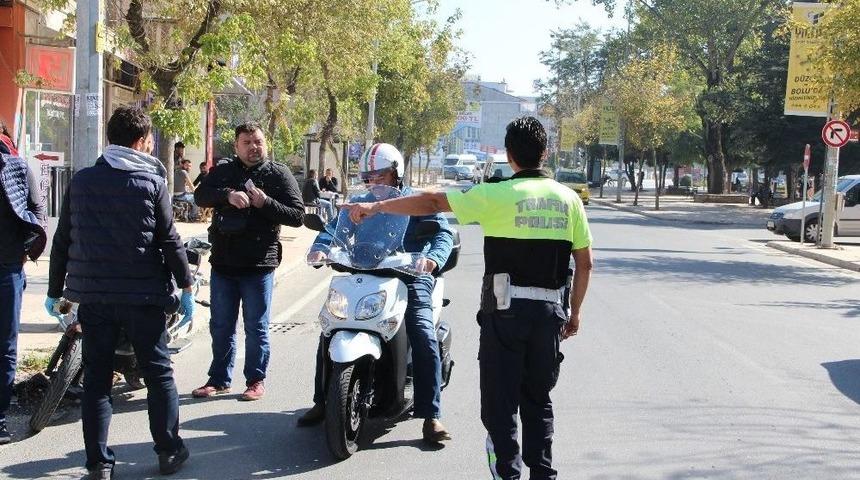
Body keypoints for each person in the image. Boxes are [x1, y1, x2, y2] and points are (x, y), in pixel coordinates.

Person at [345, 117, 593, 479]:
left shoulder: (494, 194)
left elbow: (431, 203)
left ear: (510, 156)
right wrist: (574, 315)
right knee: (538, 402)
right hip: (549, 315)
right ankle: (543, 473)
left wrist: (377, 208)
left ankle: (507, 474)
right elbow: (585, 264)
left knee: (500, 405)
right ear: (545, 152)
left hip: (505, 317)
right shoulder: (569, 200)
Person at [45, 106, 194, 479]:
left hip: (93, 300)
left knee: (97, 380)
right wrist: (187, 285)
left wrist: (54, 291)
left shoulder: (82, 181)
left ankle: (98, 464)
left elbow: (63, 239)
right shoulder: (152, 184)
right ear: (142, 142)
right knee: (158, 374)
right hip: (144, 300)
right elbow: (170, 241)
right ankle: (168, 451)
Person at [297, 143, 455, 443]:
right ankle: (322, 401)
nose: (373, 183)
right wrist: (320, 249)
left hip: (410, 275)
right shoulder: (361, 203)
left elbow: (442, 233)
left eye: (379, 176)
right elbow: (335, 230)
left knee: (422, 331)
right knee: (330, 328)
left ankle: (431, 414)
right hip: (367, 273)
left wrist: (432, 257)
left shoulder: (417, 202)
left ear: (396, 173)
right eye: (368, 177)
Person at [192, 122, 304, 401]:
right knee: (221, 325)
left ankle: (255, 380)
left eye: (258, 142)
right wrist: (226, 195)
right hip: (223, 265)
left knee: (256, 327)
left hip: (258, 266)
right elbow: (200, 196)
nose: (254, 147)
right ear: (236, 146)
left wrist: (264, 202)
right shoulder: (223, 171)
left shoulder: (278, 173)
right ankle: (218, 379)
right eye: (247, 142)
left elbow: (297, 215)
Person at [0, 120, 46, 445]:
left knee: (5, 347)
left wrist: (28, 251)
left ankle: (0, 417)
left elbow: (37, 209)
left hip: (7, 270)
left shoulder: (15, 167)